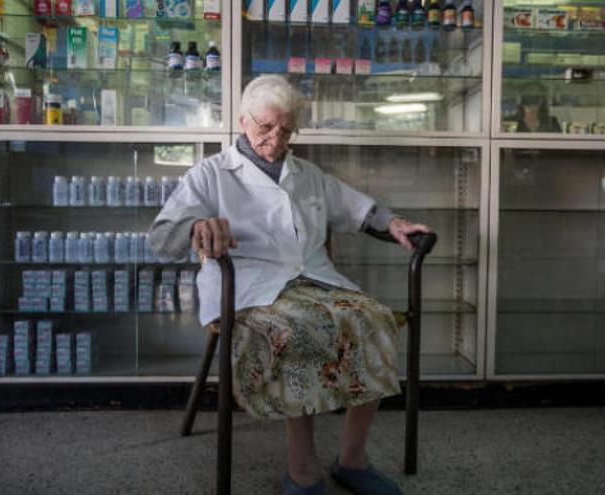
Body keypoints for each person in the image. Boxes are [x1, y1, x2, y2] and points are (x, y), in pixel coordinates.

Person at [148, 74, 432, 495]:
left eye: (286, 129)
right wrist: (196, 226)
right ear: (243, 121)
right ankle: (302, 470)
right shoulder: (211, 174)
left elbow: (358, 209)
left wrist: (393, 223)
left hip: (314, 278)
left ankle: (351, 460)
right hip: (248, 286)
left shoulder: (307, 173)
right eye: (265, 127)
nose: (275, 139)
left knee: (374, 320)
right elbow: (161, 240)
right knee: (298, 331)